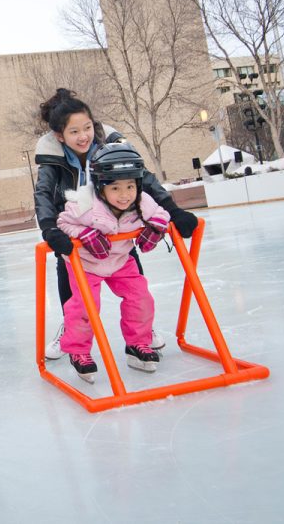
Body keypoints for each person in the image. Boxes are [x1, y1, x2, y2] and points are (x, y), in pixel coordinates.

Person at [33, 88, 199, 360]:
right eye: (74, 132)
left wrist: (173, 211)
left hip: (117, 221)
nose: (83, 136)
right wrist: (50, 228)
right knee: (70, 271)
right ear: (60, 136)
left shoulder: (109, 144)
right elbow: (43, 192)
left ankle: (141, 330)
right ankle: (70, 327)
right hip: (78, 224)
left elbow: (143, 177)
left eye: (86, 128)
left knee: (130, 264)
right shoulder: (53, 156)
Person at [57, 143, 170, 382]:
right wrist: (83, 234)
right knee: (85, 306)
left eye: (130, 186)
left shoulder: (141, 201)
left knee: (141, 297)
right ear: (100, 187)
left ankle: (137, 344)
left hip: (120, 260)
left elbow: (161, 212)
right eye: (115, 188)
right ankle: (78, 351)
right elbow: (63, 223)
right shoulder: (85, 205)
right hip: (86, 264)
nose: (125, 194)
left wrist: (158, 225)